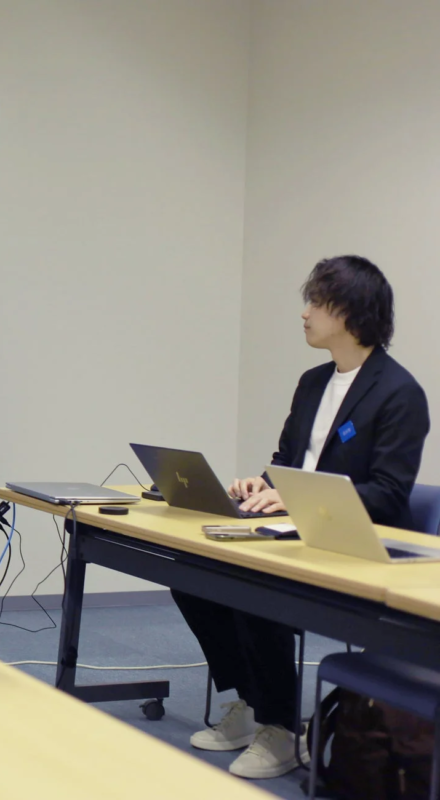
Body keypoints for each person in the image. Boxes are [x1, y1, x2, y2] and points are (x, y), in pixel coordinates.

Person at [172, 255, 429, 781]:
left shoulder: (400, 393)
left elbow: (387, 495)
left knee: (254, 587)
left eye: (315, 302)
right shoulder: (313, 382)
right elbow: (290, 463)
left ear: (350, 312)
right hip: (292, 532)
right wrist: (263, 485)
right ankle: (250, 702)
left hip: (352, 547)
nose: (304, 313)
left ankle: (283, 728)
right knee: (190, 571)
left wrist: (294, 498)